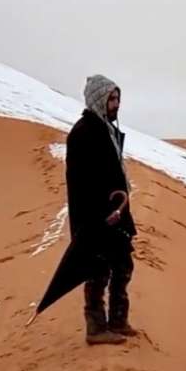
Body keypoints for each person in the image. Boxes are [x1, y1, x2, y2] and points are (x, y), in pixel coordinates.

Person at [65, 75, 136, 345]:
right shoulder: (84, 131)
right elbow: (81, 181)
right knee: (98, 269)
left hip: (116, 212)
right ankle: (96, 327)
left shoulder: (105, 129)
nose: (117, 104)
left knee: (123, 264)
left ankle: (119, 320)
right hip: (96, 216)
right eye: (112, 99)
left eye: (118, 98)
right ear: (99, 99)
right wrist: (98, 216)